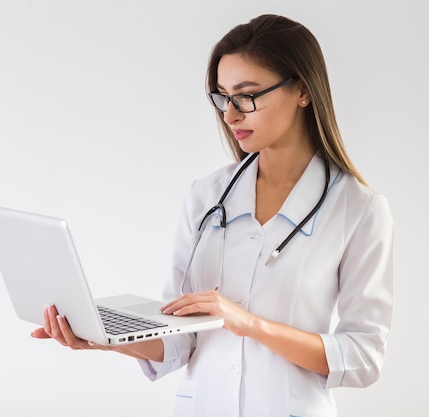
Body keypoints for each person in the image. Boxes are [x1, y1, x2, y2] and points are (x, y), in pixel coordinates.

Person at [31, 13, 394, 417]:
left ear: (303, 91)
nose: (230, 115)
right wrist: (101, 336)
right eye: (222, 97)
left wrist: (248, 323)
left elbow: (363, 356)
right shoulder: (206, 196)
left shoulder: (359, 210)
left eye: (247, 95)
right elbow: (178, 339)